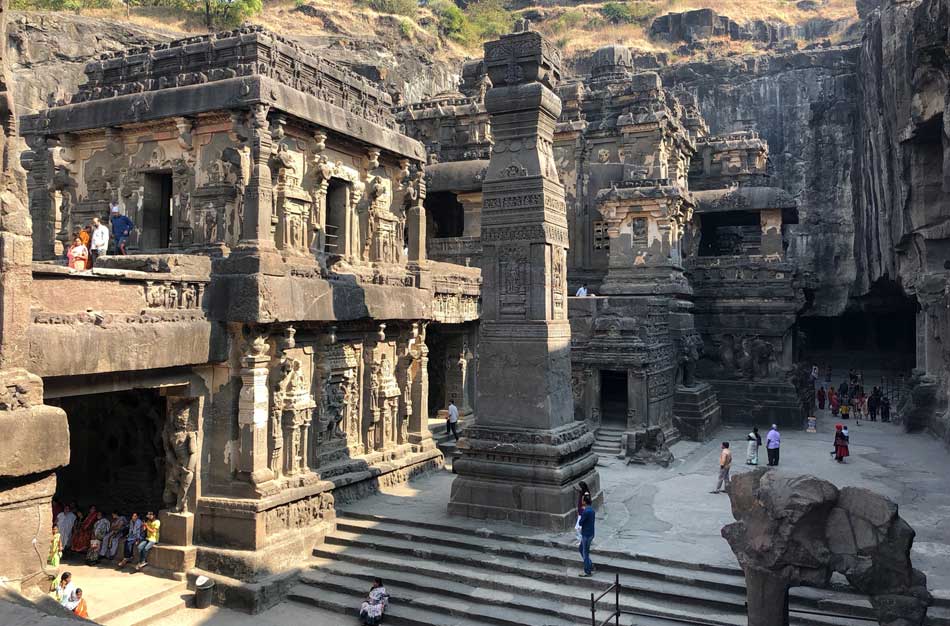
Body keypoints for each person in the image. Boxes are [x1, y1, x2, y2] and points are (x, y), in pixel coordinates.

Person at [577, 493, 595, 577]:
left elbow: (580, 523)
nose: (581, 500)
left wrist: (581, 514)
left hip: (586, 535)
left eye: (582, 499)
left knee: (585, 552)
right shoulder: (591, 509)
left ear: (584, 501)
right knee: (581, 549)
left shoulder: (585, 511)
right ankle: (590, 564)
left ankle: (587, 571)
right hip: (591, 533)